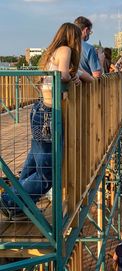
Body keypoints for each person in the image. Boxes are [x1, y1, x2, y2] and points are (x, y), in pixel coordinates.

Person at [0, 23, 86, 219]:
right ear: (73, 37)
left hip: (42, 110)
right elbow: (61, 75)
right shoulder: (65, 49)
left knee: (33, 164)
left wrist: (80, 76)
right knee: (47, 174)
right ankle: (9, 202)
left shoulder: (54, 51)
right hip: (47, 115)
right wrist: (73, 77)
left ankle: (19, 205)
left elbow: (73, 75)